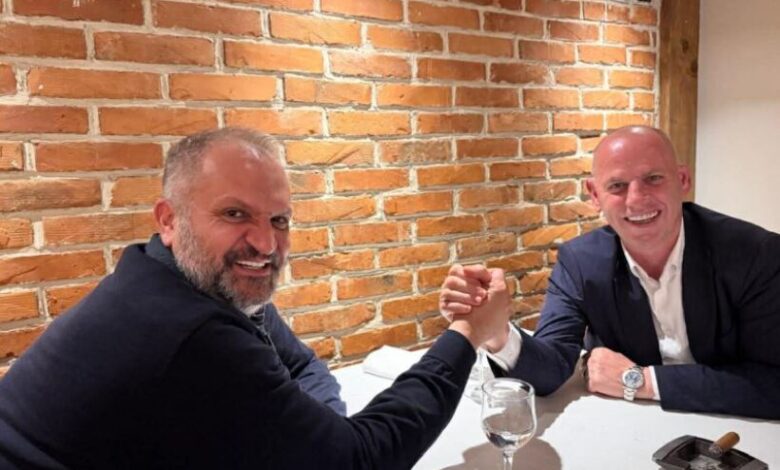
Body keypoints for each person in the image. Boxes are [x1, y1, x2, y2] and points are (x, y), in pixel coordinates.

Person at [0, 127, 511, 469]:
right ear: (169, 220)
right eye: (235, 214)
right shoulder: (188, 327)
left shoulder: (180, 279)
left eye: (279, 220)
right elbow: (360, 459)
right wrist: (467, 333)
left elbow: (301, 365)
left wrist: (307, 431)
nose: (266, 244)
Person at [440, 126, 780, 419]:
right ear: (594, 195)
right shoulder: (580, 261)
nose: (636, 199)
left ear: (683, 180)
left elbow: (773, 383)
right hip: (629, 426)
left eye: (653, 178)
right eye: (617, 186)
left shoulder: (756, 253)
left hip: (735, 430)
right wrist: (496, 331)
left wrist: (642, 381)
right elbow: (550, 371)